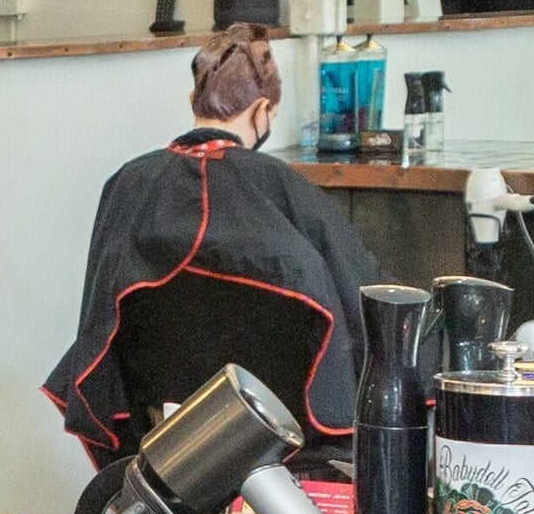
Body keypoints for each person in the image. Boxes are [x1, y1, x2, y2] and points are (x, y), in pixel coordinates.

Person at [42, 25, 391, 464]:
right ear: (263, 110)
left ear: (193, 101)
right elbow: (359, 295)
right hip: (279, 426)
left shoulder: (129, 183)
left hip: (162, 426)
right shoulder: (281, 186)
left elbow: (100, 322)